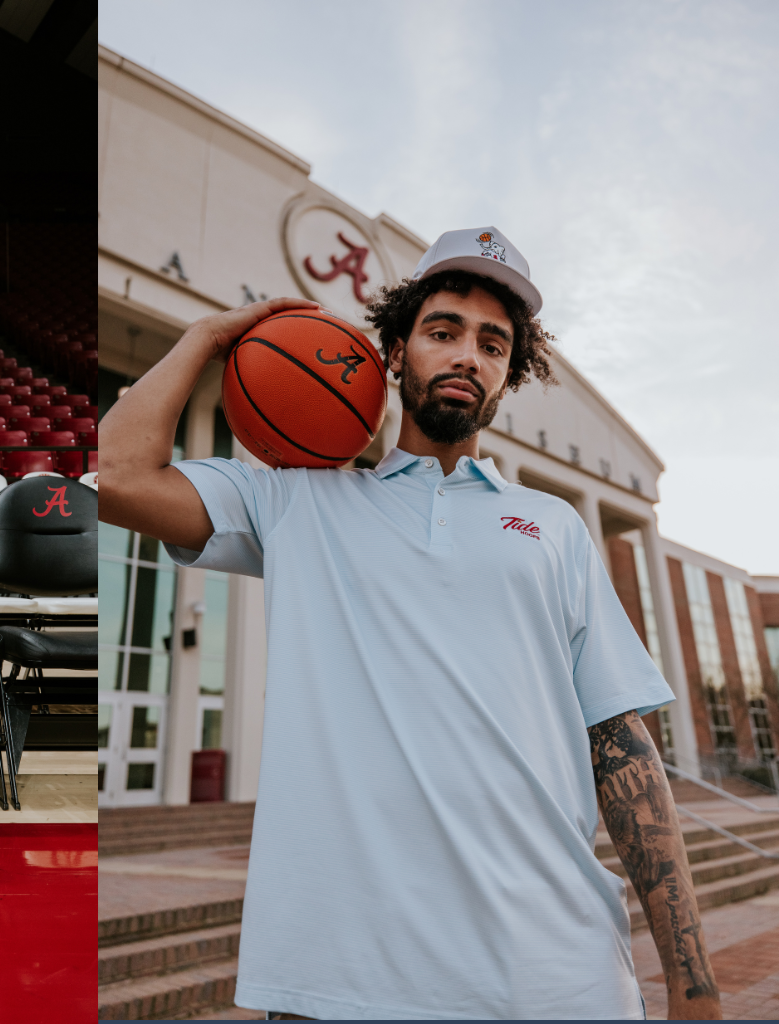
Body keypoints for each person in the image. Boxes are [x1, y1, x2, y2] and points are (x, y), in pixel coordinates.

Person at [97, 227, 720, 1020]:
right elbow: (114, 477)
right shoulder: (297, 501)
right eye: (443, 331)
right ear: (393, 352)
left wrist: (693, 985)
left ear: (508, 375)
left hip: (553, 978)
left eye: (493, 344)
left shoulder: (553, 528)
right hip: (340, 979)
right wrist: (207, 337)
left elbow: (621, 749)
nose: (467, 354)